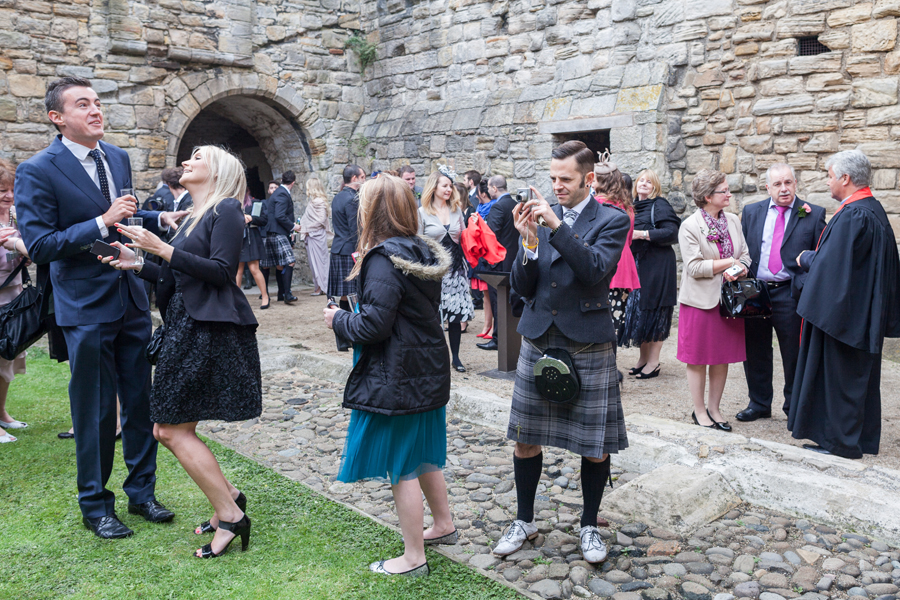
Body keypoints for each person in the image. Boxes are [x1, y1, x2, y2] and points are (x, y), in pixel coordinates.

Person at [15, 76, 183, 538]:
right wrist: (100, 221)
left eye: (97, 102)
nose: (95, 110)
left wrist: (151, 217)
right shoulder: (38, 170)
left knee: (139, 400)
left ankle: (142, 492)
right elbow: (42, 244)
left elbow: (121, 213)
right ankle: (95, 505)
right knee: (94, 411)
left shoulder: (118, 157)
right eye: (82, 104)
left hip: (130, 297)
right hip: (84, 306)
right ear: (57, 118)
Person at [105, 145, 262, 557]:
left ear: (218, 170)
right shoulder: (193, 214)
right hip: (184, 326)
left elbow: (223, 272)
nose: (188, 162)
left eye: (198, 157)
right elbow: (179, 275)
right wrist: (138, 263)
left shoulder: (225, 208)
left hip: (206, 330)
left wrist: (162, 249)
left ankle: (230, 514)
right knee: (167, 428)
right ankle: (229, 497)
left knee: (172, 430)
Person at [493, 141, 630, 564]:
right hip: (538, 337)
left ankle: (589, 525)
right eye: (552, 179)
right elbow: (523, 287)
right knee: (525, 439)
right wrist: (529, 244)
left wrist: (556, 227)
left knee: (594, 444)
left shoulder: (613, 219)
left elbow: (593, 270)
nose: (557, 187)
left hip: (587, 340)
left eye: (565, 179)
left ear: (588, 178)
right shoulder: (541, 215)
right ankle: (525, 520)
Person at [324, 175, 455, 578]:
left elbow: (373, 326)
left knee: (403, 468)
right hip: (426, 367)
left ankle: (414, 557)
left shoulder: (384, 257)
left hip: (399, 372)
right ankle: (444, 525)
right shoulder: (418, 249)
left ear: (372, 209)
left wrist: (338, 319)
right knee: (422, 456)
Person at [789, 150, 900, 458]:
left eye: (829, 175)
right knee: (854, 378)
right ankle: (854, 439)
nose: (827, 182)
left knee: (841, 379)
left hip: (845, 317)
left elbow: (832, 264)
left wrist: (805, 258)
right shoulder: (871, 209)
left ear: (845, 179)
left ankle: (842, 444)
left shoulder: (855, 215)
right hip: (860, 312)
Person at [737, 164, 826, 422]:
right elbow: (743, 249)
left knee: (794, 353)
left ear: (795, 183)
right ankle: (759, 403)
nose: (784, 188)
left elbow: (821, 256)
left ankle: (794, 407)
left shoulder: (812, 213)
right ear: (768, 187)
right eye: (777, 184)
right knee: (755, 350)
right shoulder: (752, 212)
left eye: (788, 182)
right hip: (755, 290)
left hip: (790, 292)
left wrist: (806, 284)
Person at [676, 169, 750, 431]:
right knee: (697, 359)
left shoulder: (733, 220)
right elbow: (694, 267)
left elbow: (746, 255)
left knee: (721, 358)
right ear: (707, 196)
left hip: (729, 301)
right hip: (699, 302)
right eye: (724, 190)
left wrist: (740, 268)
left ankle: (715, 409)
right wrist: (729, 263)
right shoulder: (689, 226)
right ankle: (699, 411)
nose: (729, 194)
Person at [621, 169, 680, 378]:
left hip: (657, 265)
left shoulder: (660, 205)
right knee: (640, 311)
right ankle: (643, 359)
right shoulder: (633, 206)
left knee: (655, 311)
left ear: (655, 186)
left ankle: (653, 362)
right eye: (641, 181)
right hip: (638, 265)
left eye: (649, 181)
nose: (644, 184)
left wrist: (642, 234)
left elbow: (672, 233)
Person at [418, 167, 474, 372]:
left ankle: (456, 357)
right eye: (445, 186)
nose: (449, 189)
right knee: (433, 315)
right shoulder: (422, 213)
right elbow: (418, 242)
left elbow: (465, 235)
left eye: (450, 186)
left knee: (456, 315)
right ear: (434, 188)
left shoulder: (456, 210)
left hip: (457, 269)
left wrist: (473, 226)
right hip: (434, 271)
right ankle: (434, 356)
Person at [592, 156, 640, 370]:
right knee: (614, 323)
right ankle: (610, 366)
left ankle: (602, 369)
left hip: (603, 264)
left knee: (597, 321)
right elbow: (628, 240)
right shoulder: (627, 206)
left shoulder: (595, 205)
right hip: (624, 267)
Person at [0, 159, 29, 442]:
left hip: (14, 298)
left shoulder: (16, 217)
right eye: (1, 190)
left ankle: (2, 414)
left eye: (11, 189)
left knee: (7, 356)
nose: (8, 195)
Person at [477, 174, 519, 351]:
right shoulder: (516, 204)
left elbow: (491, 237)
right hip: (514, 260)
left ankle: (498, 339)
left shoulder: (498, 207)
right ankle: (511, 337)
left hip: (499, 263)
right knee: (511, 301)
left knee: (498, 301)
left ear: (494, 188)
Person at [329, 165, 365, 312]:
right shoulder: (352, 198)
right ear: (354, 178)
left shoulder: (337, 197)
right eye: (362, 177)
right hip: (349, 250)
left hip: (338, 247)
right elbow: (354, 230)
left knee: (345, 293)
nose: (364, 180)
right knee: (353, 291)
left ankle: (342, 320)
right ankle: (349, 323)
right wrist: (361, 251)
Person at [261, 170, 298, 304]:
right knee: (290, 261)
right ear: (293, 183)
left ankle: (282, 293)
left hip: (272, 232)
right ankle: (287, 294)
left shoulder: (277, 193)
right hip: (278, 233)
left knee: (279, 265)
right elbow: (280, 215)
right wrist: (293, 227)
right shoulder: (282, 193)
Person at [295, 177, 332, 296]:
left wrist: (306, 228)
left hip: (316, 235)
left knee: (320, 262)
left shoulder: (319, 201)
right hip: (311, 235)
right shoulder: (314, 201)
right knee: (314, 262)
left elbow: (321, 220)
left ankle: (322, 286)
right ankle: (319, 286)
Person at [235, 190, 270, 309]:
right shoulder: (232, 204)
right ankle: (235, 299)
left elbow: (264, 220)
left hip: (251, 238)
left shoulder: (255, 203)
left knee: (254, 268)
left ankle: (265, 296)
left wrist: (251, 218)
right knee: (238, 270)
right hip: (238, 238)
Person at [472, 180, 498, 339]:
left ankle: (494, 325)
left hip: (490, 255)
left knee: (492, 293)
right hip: (480, 255)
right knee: (485, 293)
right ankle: (487, 324)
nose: (476, 196)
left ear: (483, 193)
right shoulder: (479, 208)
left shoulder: (494, 208)